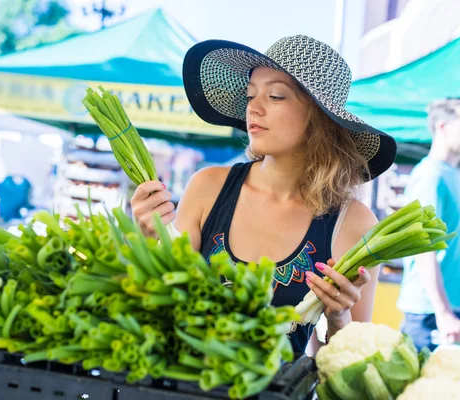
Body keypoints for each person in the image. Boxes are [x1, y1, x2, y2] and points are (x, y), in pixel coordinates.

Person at [130, 36, 397, 354]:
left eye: (275, 96)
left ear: (318, 118)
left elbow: (353, 363)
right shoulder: (209, 187)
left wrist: (339, 319)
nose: (253, 107)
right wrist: (148, 238)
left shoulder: (352, 222)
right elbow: (163, 299)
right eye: (251, 94)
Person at [397, 99, 460, 350]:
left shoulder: (453, 174)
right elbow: (423, 248)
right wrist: (443, 313)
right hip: (430, 313)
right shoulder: (429, 176)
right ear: (443, 127)